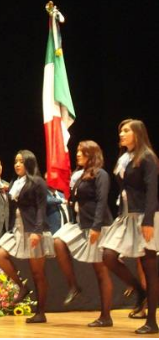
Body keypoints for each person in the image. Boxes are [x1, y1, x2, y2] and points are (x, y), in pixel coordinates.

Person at [100, 119, 159, 334]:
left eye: (126, 131)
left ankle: (152, 321)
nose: (121, 134)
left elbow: (152, 191)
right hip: (126, 215)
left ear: (138, 134)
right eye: (121, 131)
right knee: (108, 255)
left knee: (149, 266)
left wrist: (148, 221)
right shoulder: (124, 158)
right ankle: (139, 291)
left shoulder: (147, 157)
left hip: (144, 215)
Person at [53, 140, 114, 327]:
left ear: (92, 155)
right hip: (82, 224)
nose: (78, 154)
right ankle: (74, 286)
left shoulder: (101, 174)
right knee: (58, 241)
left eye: (83, 152)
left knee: (101, 271)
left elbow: (102, 201)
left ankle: (106, 316)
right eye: (78, 151)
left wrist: (96, 227)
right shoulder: (80, 175)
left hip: (98, 225)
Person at [0, 150, 54, 324]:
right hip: (18, 229)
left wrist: (37, 231)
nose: (17, 164)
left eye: (21, 161)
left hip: (34, 229)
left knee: (37, 273)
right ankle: (22, 286)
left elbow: (41, 207)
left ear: (29, 162)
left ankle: (41, 312)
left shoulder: (37, 182)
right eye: (16, 161)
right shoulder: (15, 182)